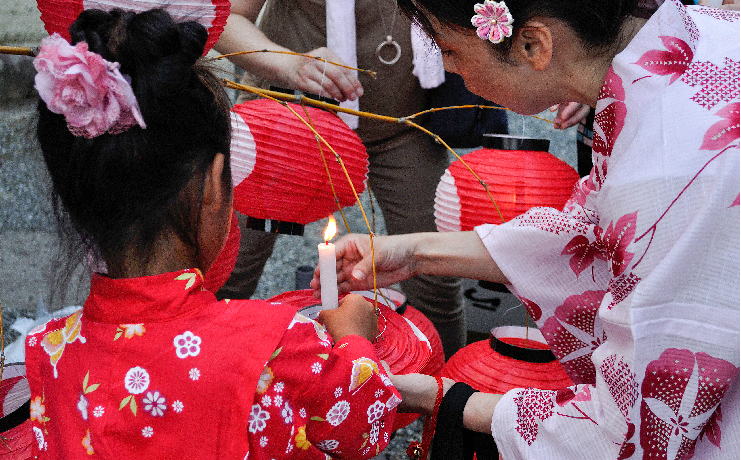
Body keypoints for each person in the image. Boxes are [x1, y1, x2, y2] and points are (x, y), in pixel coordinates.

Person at [311, 0, 740, 459]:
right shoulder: (692, 47)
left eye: (449, 49)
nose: (450, 69)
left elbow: (629, 431)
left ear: (533, 45)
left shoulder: (670, 165)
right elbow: (592, 237)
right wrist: (415, 252)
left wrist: (450, 399)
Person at [25, 8, 399, 458]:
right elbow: (363, 426)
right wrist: (354, 338)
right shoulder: (274, 344)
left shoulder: (48, 353)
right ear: (213, 184)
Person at [213, 0, 471, 358]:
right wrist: (288, 62)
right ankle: (204, 382)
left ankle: (441, 399)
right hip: (288, 121)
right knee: (228, 268)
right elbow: (224, 17)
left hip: (401, 127)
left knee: (436, 279)